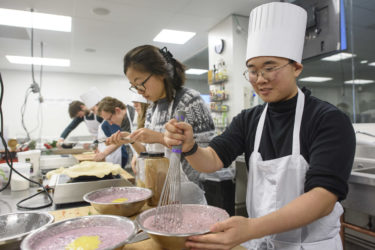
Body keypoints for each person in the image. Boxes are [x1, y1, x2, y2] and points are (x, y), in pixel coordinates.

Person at [164, 2, 355, 249]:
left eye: (270, 67)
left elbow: (322, 199)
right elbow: (211, 160)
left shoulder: (328, 120)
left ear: (296, 67)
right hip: (261, 243)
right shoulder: (249, 119)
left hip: (311, 245)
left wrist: (250, 228)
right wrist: (190, 147)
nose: (260, 79)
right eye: (252, 71)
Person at [109, 44, 215, 198]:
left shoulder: (189, 101)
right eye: (134, 86)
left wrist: (159, 137)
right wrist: (131, 140)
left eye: (140, 83)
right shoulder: (153, 108)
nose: (139, 91)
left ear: (161, 73)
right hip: (161, 192)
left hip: (189, 194)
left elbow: (206, 157)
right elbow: (150, 156)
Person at [96, 97, 135, 168]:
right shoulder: (123, 120)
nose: (110, 123)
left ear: (117, 110)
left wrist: (104, 153)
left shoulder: (134, 115)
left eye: (109, 119)